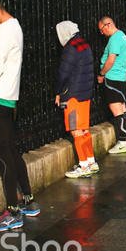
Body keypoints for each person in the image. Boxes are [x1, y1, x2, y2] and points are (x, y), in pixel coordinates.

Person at [0, 0, 39, 232]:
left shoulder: (4, 31)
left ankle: (13, 212)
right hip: (9, 98)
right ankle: (29, 200)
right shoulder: (16, 27)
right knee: (12, 152)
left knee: (2, 155)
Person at [55, 21, 98, 179]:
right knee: (84, 129)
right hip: (85, 94)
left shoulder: (70, 48)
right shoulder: (84, 45)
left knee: (75, 130)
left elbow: (63, 74)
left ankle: (83, 164)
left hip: (72, 95)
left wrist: (58, 92)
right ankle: (91, 161)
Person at [97, 16, 126, 154]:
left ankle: (122, 141)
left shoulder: (115, 38)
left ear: (108, 25)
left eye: (101, 29)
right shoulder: (122, 35)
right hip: (121, 76)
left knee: (116, 109)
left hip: (112, 77)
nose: (101, 33)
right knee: (123, 108)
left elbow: (111, 60)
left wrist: (101, 73)